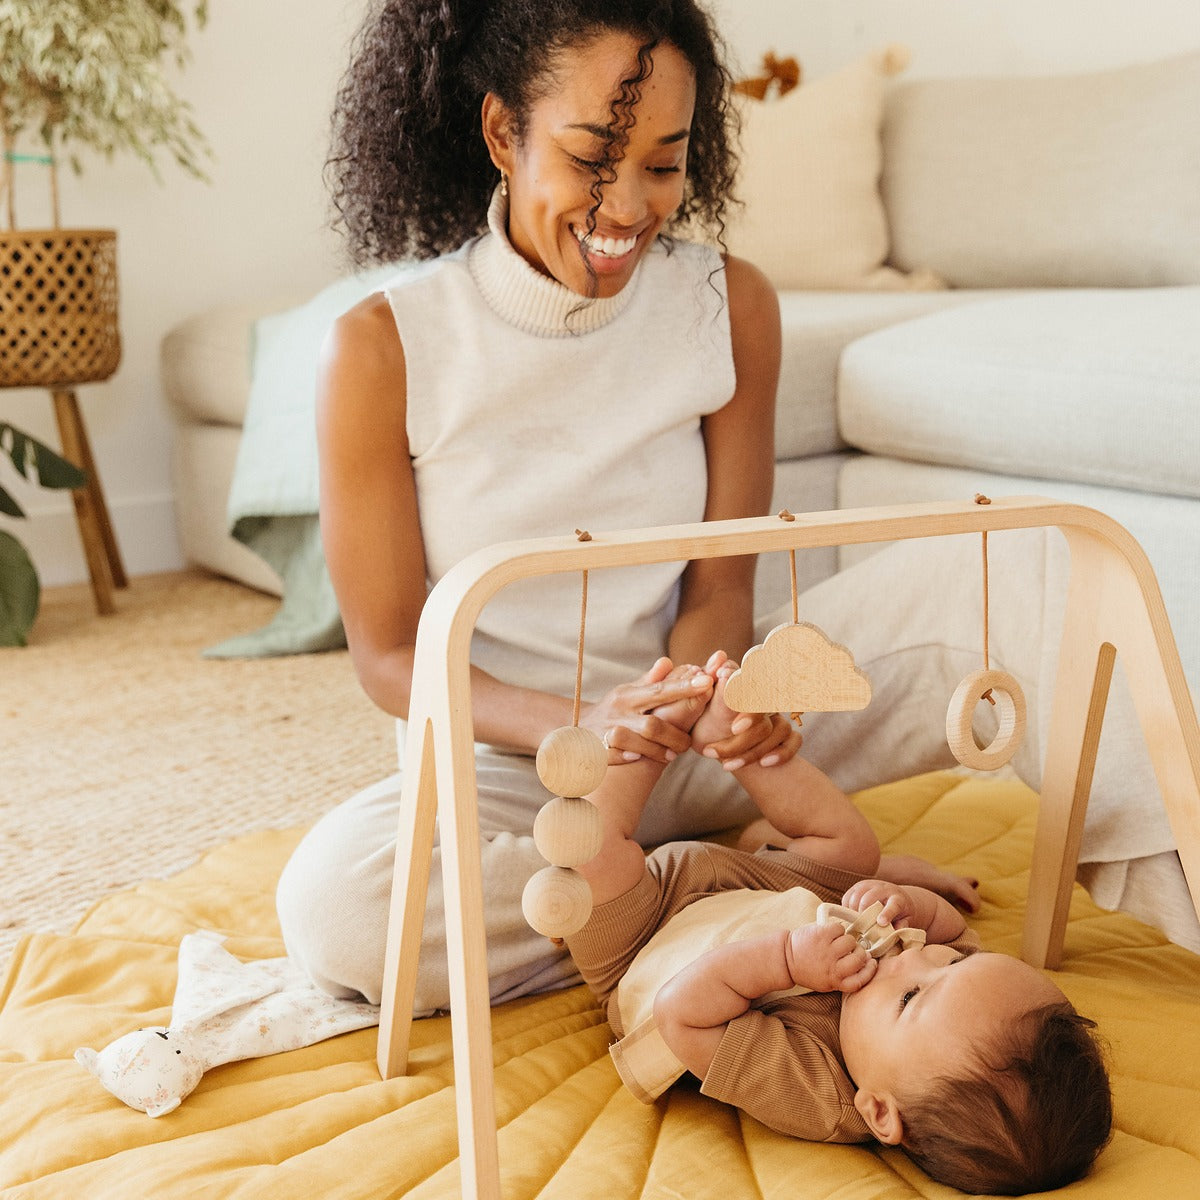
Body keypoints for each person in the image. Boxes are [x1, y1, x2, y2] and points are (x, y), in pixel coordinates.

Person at [276, 0, 805, 1012]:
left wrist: (701, 700)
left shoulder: (728, 305)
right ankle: (713, 889)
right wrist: (589, 732)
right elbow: (391, 659)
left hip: (718, 739)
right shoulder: (384, 348)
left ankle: (652, 888)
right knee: (339, 908)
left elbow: (723, 579)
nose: (629, 209)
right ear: (502, 133)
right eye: (592, 156)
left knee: (1033, 580)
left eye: (663, 164)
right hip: (527, 774)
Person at [568, 655, 1114, 1196]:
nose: (914, 956)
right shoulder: (929, 988)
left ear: (878, 1110)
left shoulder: (817, 1092)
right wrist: (907, 902)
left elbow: (682, 1015)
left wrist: (785, 960)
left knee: (589, 860)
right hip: (757, 886)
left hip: (648, 938)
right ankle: (736, 742)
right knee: (855, 848)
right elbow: (949, 930)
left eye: (908, 998)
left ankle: (647, 736)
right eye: (956, 963)